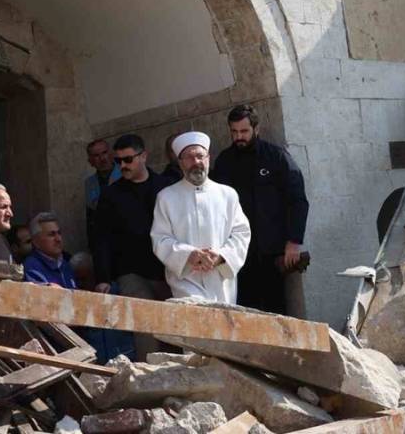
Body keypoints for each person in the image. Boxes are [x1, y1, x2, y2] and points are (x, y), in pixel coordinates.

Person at [210, 105, 309, 314]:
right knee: (247, 312)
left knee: (277, 311)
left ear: (256, 129)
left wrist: (294, 241)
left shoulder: (276, 157)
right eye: (234, 132)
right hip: (239, 254)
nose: (239, 137)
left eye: (244, 131)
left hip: (272, 252)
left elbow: (297, 200)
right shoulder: (224, 163)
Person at [92, 133, 173, 361]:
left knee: (172, 326)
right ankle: (149, 377)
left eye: (128, 159)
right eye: (118, 161)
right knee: (144, 321)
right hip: (131, 271)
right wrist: (103, 277)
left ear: (143, 156)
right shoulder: (110, 195)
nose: (122, 166)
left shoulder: (166, 188)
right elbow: (101, 238)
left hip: (166, 271)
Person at [152, 131, 251, 305]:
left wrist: (221, 256)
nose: (196, 162)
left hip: (221, 281)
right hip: (186, 282)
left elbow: (241, 234)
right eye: (189, 157)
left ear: (208, 158)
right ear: (180, 162)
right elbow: (160, 239)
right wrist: (188, 255)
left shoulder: (228, 194)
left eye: (200, 156)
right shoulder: (166, 197)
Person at [84, 139, 121, 254]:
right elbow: (91, 212)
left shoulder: (124, 174)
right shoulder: (89, 183)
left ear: (111, 154)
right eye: (96, 155)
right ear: (90, 161)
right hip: (102, 242)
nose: (102, 159)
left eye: (104, 153)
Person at [22, 212, 76, 288]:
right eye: (51, 234)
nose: (58, 239)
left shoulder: (66, 265)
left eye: (59, 233)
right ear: (36, 241)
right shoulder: (32, 266)